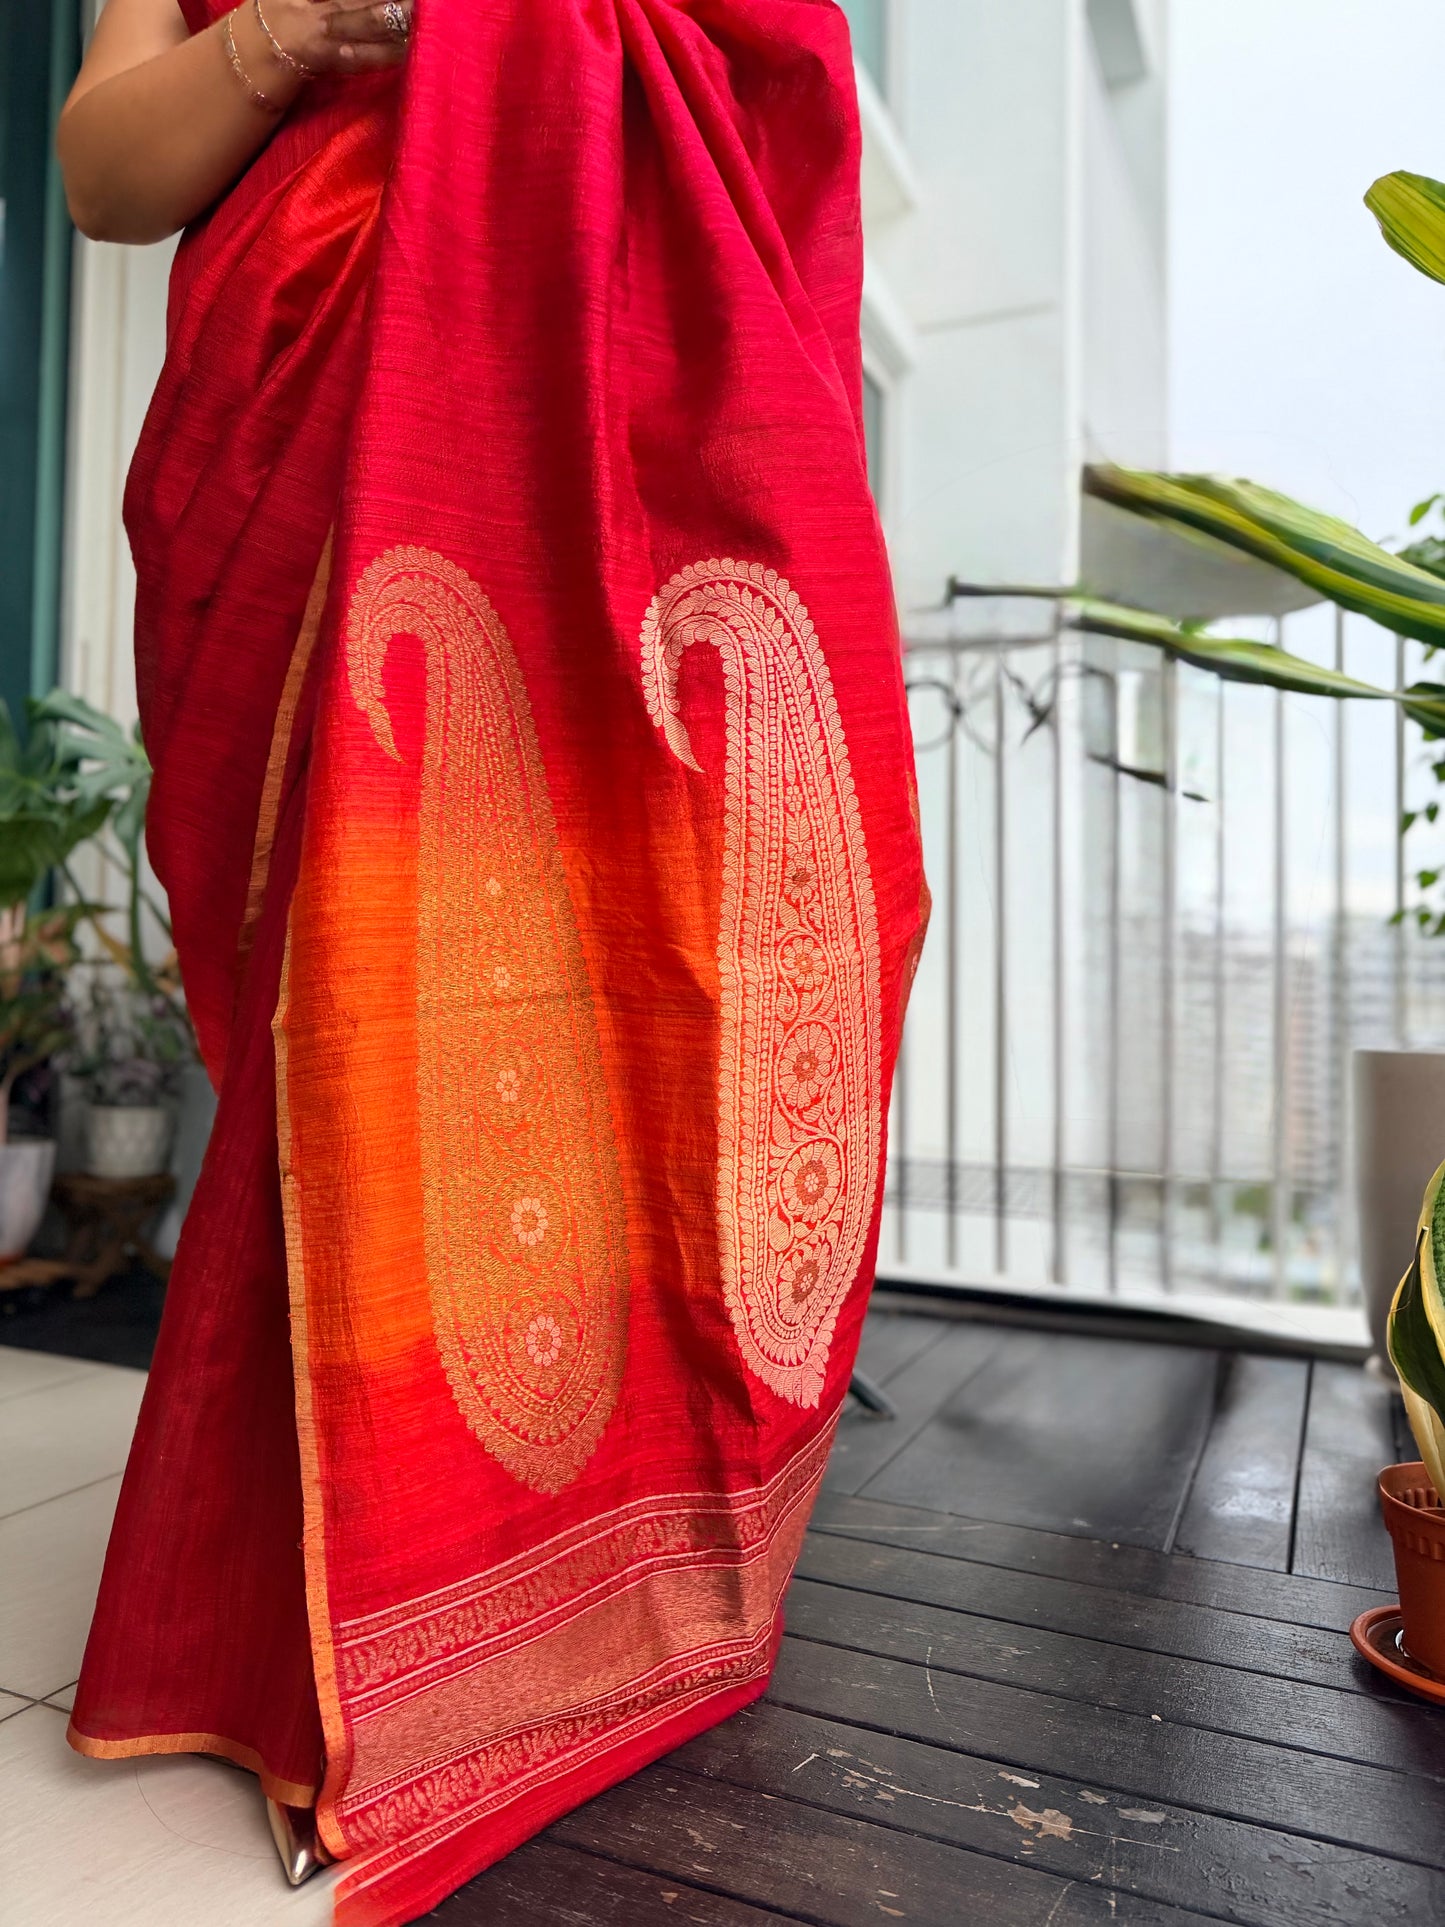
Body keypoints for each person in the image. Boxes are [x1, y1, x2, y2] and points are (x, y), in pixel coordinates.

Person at [58, 5, 929, 1925]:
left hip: (620, 396)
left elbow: (772, 76)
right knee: (362, 1012)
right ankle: (325, 1629)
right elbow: (106, 172)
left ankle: (566, 1582)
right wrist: (303, 31)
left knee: (666, 950)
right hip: (304, 403)